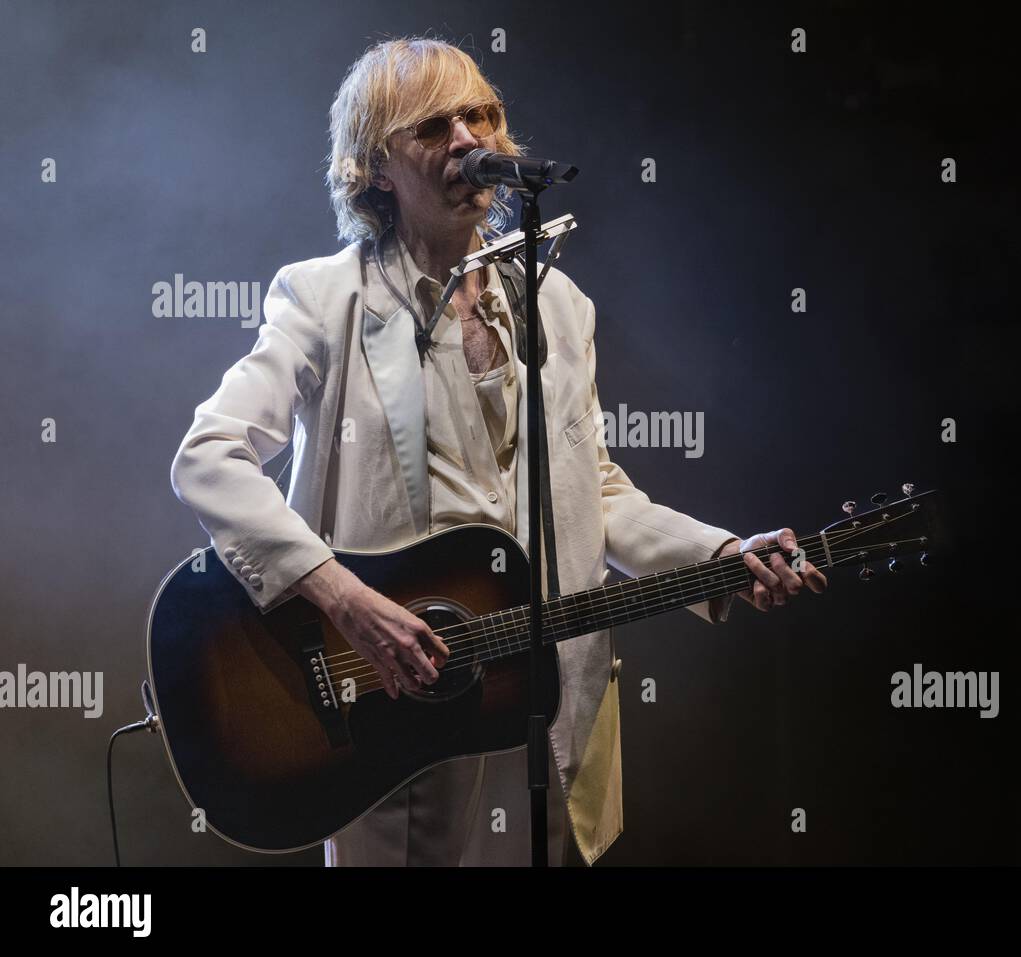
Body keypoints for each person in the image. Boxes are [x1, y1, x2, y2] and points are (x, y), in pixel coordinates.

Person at [170, 36, 827, 867]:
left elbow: (595, 490)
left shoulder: (557, 305)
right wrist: (347, 602)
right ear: (375, 167)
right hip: (391, 700)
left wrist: (726, 553)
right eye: (435, 125)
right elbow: (209, 455)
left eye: (482, 115)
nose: (469, 140)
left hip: (536, 699)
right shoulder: (323, 298)